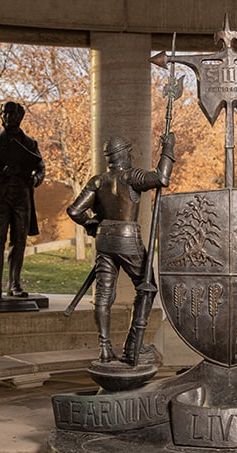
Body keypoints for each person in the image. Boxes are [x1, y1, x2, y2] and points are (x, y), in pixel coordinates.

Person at [67, 133, 175, 365]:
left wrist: (91, 223)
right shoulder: (131, 177)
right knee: (147, 288)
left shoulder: (97, 181)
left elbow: (75, 211)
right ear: (124, 153)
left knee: (104, 296)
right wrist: (168, 148)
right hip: (127, 238)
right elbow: (161, 178)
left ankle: (104, 349)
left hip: (105, 239)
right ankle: (132, 345)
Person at [0, 101, 45, 301]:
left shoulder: (30, 144)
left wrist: (35, 178)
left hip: (22, 196)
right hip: (2, 196)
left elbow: (41, 168)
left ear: (20, 116)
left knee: (19, 242)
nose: (8, 117)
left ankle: (15, 284)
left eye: (12, 113)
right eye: (4, 113)